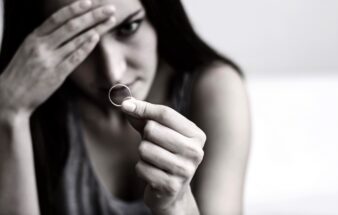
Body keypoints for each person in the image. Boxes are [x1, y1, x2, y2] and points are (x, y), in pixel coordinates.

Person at [0, 0, 251, 214]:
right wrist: (10, 115)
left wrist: (177, 205)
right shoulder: (27, 105)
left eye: (128, 28)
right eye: (78, 42)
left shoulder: (212, 89)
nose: (113, 72)